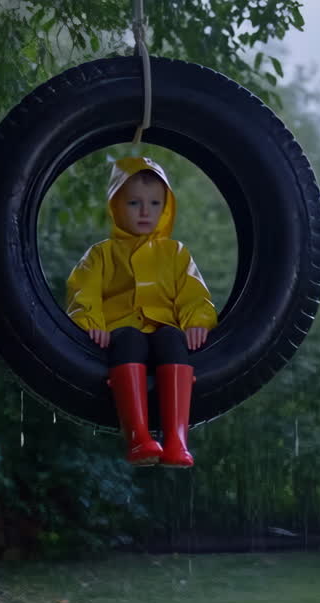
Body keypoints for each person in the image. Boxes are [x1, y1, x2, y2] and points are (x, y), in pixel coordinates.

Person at [65, 156, 218, 468]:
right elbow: (85, 292)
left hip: (163, 331)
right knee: (130, 339)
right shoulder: (102, 254)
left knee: (173, 339)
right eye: (134, 202)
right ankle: (137, 437)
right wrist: (91, 323)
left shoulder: (175, 253)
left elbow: (192, 294)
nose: (145, 211)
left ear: (165, 207)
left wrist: (197, 321)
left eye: (154, 203)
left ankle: (177, 440)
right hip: (121, 331)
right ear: (116, 206)